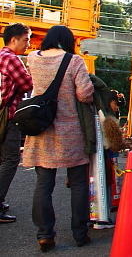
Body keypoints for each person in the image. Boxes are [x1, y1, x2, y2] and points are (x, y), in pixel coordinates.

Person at [22, 25, 94, 252]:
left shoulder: (33, 58)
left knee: (44, 184)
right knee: (79, 183)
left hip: (41, 127)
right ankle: (80, 234)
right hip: (70, 131)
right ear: (68, 41)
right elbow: (84, 94)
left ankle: (44, 235)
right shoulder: (74, 61)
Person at [0, 23, 33, 224]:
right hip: (7, 117)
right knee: (11, 160)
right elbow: (27, 84)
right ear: (14, 39)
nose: (28, 44)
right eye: (26, 39)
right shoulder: (11, 59)